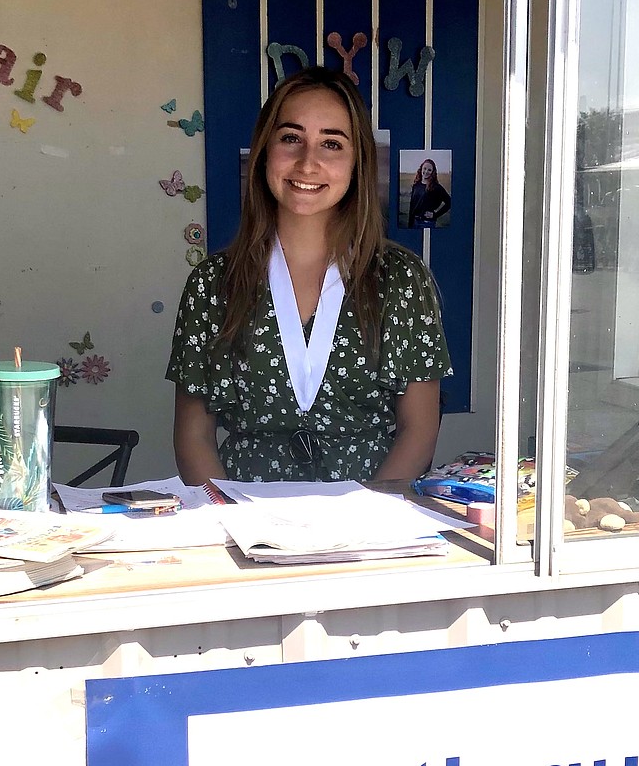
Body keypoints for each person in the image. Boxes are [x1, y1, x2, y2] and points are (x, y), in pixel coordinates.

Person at [168, 67, 451, 483]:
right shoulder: (213, 283)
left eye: (331, 144)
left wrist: (363, 528)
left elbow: (419, 431)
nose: (308, 162)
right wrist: (231, 526)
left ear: (357, 164)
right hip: (244, 520)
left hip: (368, 519)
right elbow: (194, 437)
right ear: (265, 150)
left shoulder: (400, 279)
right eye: (291, 138)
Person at [406, 157, 452, 228]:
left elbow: (449, 202)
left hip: (427, 223)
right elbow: (412, 206)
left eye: (429, 170)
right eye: (424, 168)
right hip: (414, 223)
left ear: (433, 172)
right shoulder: (416, 185)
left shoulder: (436, 187)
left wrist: (435, 215)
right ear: (421, 169)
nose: (426, 171)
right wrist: (410, 224)